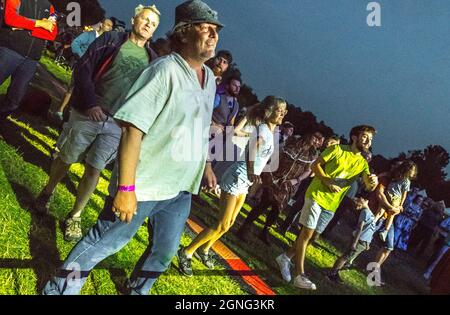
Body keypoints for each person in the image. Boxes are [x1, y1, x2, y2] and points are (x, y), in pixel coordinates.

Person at [42, 0, 223, 295]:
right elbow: (132, 130)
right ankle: (59, 289)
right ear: (184, 33)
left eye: (216, 30)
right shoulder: (164, 70)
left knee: (164, 252)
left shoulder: (210, 82)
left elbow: (198, 130)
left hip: (180, 191)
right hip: (145, 184)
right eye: (206, 28)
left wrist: (207, 165)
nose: (214, 35)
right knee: (104, 242)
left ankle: (137, 290)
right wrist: (126, 190)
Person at [33, 5, 161, 242]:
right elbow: (84, 68)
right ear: (134, 20)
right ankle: (48, 191)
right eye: (145, 20)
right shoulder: (113, 40)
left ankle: (75, 215)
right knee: (68, 157)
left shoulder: (153, 61)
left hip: (117, 124)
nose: (148, 25)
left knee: (95, 168)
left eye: (153, 24)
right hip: (89, 112)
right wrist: (91, 103)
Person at [177, 96, 287, 276]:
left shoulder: (271, 132)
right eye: (278, 110)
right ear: (268, 112)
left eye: (284, 110)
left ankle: (204, 249)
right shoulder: (262, 130)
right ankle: (186, 251)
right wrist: (252, 170)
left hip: (245, 181)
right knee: (222, 222)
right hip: (238, 176)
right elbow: (252, 149)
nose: (282, 113)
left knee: (229, 224)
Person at [275, 125, 378, 290]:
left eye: (370, 139)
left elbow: (368, 185)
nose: (368, 141)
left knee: (313, 237)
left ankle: (285, 257)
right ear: (354, 137)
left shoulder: (362, 163)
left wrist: (373, 182)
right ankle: (299, 275)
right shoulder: (337, 149)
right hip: (316, 195)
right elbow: (315, 165)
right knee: (306, 233)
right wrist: (327, 180)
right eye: (365, 136)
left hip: (331, 204)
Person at [236, 131, 324, 244]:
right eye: (315, 137)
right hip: (275, 178)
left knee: (277, 209)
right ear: (308, 134)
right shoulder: (293, 141)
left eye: (318, 140)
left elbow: (308, 170)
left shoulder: (312, 154)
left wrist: (296, 180)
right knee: (264, 203)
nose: (316, 141)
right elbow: (277, 153)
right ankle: (245, 227)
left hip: (289, 184)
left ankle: (265, 231)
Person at [0, 0, 57, 123]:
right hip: (10, 50)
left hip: (31, 59)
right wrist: (39, 24)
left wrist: (26, 28)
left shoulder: (49, 6)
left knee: (15, 98)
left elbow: (52, 34)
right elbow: (10, 19)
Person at [48, 18, 114, 124]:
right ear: (101, 25)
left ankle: (71, 117)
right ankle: (60, 111)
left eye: (111, 26)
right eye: (107, 25)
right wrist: (82, 58)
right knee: (72, 89)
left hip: (94, 72)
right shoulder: (90, 35)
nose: (109, 28)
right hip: (82, 67)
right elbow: (75, 44)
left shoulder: (107, 42)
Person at [327, 197, 377, 283]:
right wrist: (354, 242)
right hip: (359, 240)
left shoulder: (369, 212)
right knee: (346, 257)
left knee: (347, 257)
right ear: (360, 204)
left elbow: (370, 229)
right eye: (362, 199)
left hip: (363, 242)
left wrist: (368, 243)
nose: (363, 198)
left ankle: (335, 272)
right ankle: (332, 273)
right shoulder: (364, 212)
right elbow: (359, 228)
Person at [373, 160, 418, 242]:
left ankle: (385, 231)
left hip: (396, 198)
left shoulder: (407, 182)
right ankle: (373, 222)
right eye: (412, 170)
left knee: (391, 215)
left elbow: (404, 195)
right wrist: (378, 176)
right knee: (381, 210)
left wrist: (401, 204)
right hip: (388, 194)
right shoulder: (397, 176)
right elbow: (386, 174)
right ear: (407, 169)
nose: (413, 172)